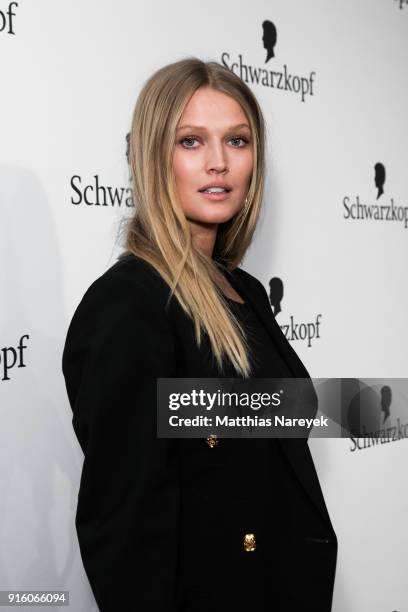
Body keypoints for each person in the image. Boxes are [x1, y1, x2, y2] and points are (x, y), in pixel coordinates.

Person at [62, 57, 337, 612]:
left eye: (237, 141)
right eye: (191, 141)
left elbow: (273, 412)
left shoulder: (242, 289)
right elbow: (125, 530)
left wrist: (386, 408)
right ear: (152, 155)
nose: (218, 163)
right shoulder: (130, 304)